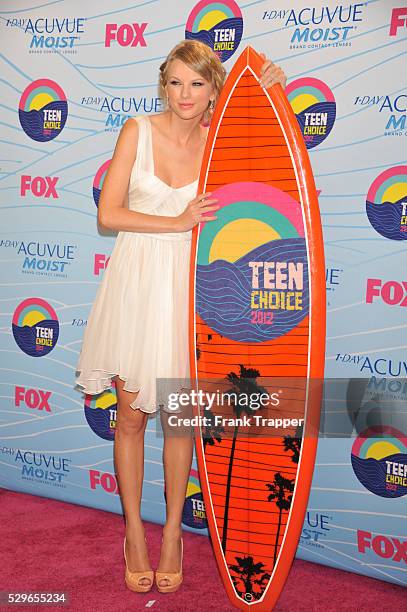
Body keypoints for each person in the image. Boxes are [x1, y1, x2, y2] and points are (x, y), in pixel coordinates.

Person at [76, 39, 287, 594]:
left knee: (181, 420)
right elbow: (108, 213)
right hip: (137, 284)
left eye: (197, 83)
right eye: (174, 82)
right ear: (161, 85)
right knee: (130, 417)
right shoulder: (136, 132)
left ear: (214, 89)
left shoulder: (222, 140)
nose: (184, 94)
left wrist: (274, 91)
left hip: (193, 290)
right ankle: (134, 533)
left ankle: (171, 531)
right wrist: (178, 220)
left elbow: (271, 162)